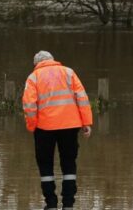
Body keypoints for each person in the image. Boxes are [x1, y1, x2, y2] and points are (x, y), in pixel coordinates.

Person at [22, 51, 93, 210]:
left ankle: (51, 204)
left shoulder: (34, 77)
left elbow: (29, 105)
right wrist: (86, 122)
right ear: (52, 60)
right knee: (69, 163)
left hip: (44, 127)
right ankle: (68, 204)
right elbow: (82, 97)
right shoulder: (69, 72)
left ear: (36, 64)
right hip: (70, 125)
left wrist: (31, 125)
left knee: (45, 164)